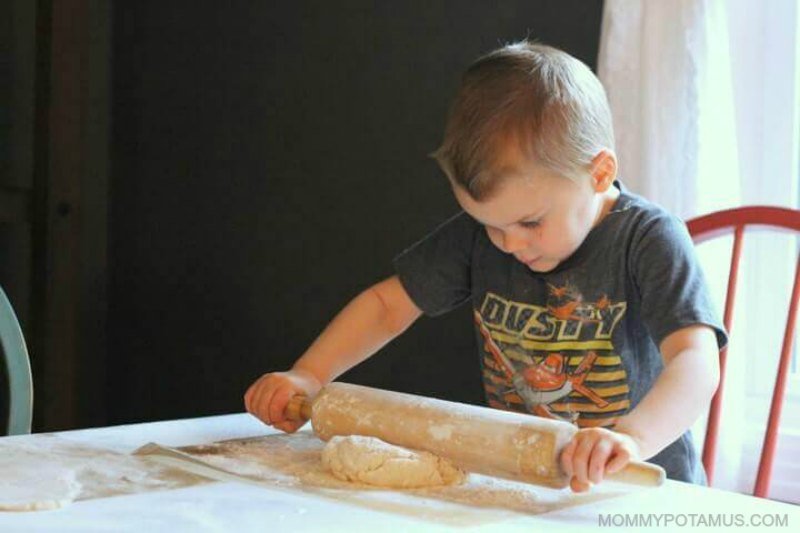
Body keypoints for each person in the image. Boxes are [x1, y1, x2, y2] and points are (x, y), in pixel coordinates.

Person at [244, 42, 726, 492]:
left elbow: (696, 362)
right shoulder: (484, 238)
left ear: (598, 173)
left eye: (530, 222)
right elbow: (386, 305)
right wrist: (309, 374)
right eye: (490, 225)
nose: (510, 243)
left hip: (641, 488)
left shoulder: (648, 240)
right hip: (527, 481)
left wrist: (632, 438)